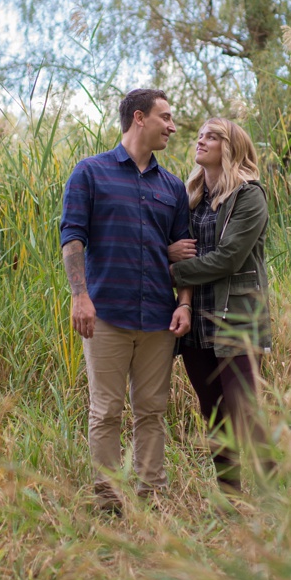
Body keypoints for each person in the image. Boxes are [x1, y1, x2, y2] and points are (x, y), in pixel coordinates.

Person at [60, 88, 193, 515]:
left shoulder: (172, 187)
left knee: (152, 412)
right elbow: (72, 236)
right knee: (106, 412)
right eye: (166, 117)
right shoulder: (90, 173)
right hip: (107, 315)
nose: (172, 126)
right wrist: (80, 296)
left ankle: (150, 501)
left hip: (157, 316)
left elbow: (185, 253)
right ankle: (108, 503)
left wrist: (184, 303)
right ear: (139, 118)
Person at [166, 117, 274, 500]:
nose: (202, 141)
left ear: (231, 147)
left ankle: (271, 496)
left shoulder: (249, 195)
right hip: (197, 322)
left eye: (213, 136)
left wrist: (171, 270)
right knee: (213, 413)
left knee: (246, 413)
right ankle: (231, 497)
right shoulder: (191, 198)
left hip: (237, 319)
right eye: (200, 136)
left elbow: (229, 258)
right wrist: (181, 289)